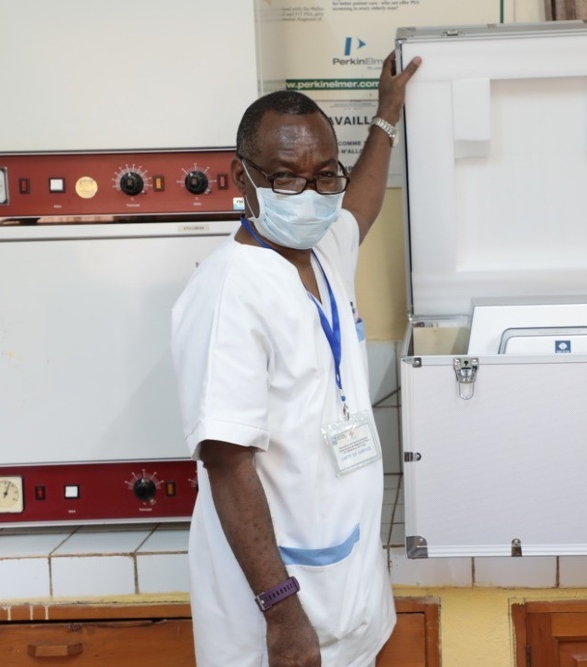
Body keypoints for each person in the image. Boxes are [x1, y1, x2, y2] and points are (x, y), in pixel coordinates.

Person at [170, 50, 421, 667]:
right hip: (280, 613)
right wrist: (283, 613)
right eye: (286, 179)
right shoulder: (230, 292)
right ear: (242, 177)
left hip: (348, 584)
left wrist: (387, 114)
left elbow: (360, 202)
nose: (310, 195)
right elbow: (227, 465)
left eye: (323, 175)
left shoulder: (325, 246)